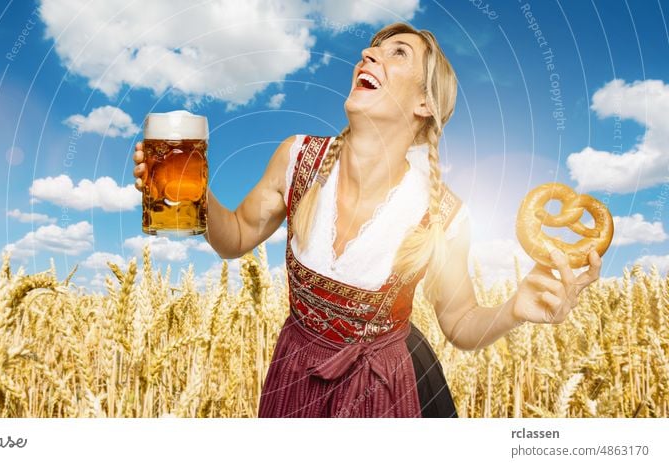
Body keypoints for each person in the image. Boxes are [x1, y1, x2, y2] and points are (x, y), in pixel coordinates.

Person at [132, 22, 602, 418]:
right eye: (370, 49)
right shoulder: (297, 160)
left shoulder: (443, 213)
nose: (367, 55)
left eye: (396, 53)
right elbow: (233, 238)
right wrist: (192, 191)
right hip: (294, 377)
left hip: (384, 392)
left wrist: (515, 308)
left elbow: (458, 322)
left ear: (425, 105)